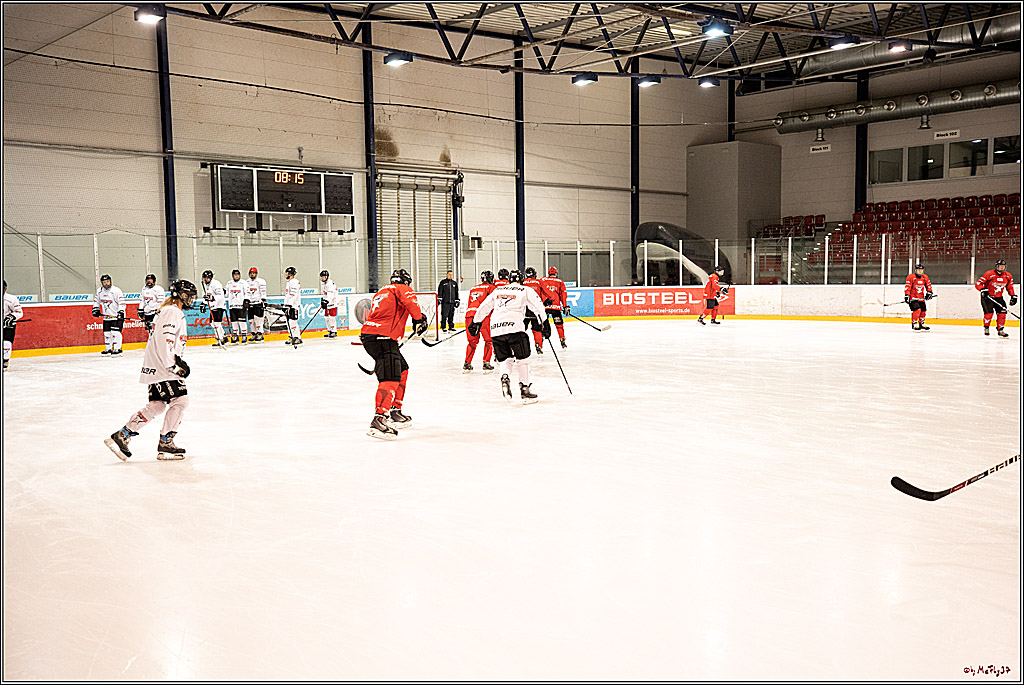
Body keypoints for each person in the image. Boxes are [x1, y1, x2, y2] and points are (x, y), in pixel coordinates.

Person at [104, 279, 198, 461]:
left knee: (158, 405)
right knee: (181, 400)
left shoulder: (169, 311)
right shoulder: (172, 312)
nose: (191, 300)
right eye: (190, 296)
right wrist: (173, 366)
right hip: (164, 367)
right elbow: (166, 342)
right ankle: (166, 442)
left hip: (157, 366)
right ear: (183, 295)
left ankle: (123, 435)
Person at [360, 268, 428, 440]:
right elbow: (412, 304)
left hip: (372, 336)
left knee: (402, 369)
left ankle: (395, 410)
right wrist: (419, 319)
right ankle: (379, 419)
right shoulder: (402, 288)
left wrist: (416, 319)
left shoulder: (383, 291)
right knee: (390, 378)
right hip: (383, 338)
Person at [471, 268, 550, 404]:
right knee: (523, 359)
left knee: (505, 359)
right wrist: (544, 322)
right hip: (515, 328)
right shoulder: (525, 290)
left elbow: (484, 306)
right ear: (521, 280)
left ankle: (505, 376)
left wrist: (475, 322)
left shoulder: (498, 290)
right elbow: (537, 306)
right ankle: (524, 390)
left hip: (496, 330)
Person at [463, 270, 496, 373]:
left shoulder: (473, 288)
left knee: (472, 342)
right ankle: (486, 363)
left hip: (469, 315)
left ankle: (467, 363)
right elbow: (493, 303)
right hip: (482, 315)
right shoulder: (491, 288)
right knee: (489, 340)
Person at [975, 259, 1016, 338]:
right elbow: (978, 283)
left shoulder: (1008, 276)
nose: (1001, 268)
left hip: (999, 298)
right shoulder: (989, 274)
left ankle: (1000, 330)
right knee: (989, 314)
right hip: (988, 298)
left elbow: (1010, 287)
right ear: (996, 266)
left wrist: (1013, 296)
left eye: (1003, 266)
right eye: (999, 266)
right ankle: (986, 327)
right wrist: (983, 289)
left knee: (1002, 313)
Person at [522, 267, 554, 354]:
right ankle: (538, 346)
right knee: (537, 330)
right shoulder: (539, 282)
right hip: (536, 311)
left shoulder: (522, 283)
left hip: (523, 311)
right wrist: (548, 301)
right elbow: (550, 294)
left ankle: (517, 348)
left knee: (520, 330)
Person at [92, 273, 126, 354]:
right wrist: (95, 309)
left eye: (107, 281)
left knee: (115, 332)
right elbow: (96, 301)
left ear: (110, 281)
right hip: (107, 316)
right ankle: (109, 348)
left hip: (116, 316)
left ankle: (118, 348)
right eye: (104, 282)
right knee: (107, 333)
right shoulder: (100, 291)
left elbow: (122, 303)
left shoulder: (116, 291)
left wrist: (121, 311)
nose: (106, 283)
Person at [540, 266, 569, 349]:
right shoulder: (560, 281)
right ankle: (562, 341)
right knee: (559, 325)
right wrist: (565, 306)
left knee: (543, 324)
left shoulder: (543, 280)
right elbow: (563, 295)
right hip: (556, 307)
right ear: (556, 273)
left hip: (545, 307)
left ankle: (540, 342)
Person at [904, 263, 934, 331]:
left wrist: (929, 292)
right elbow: (907, 287)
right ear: (915, 270)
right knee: (917, 310)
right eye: (918, 270)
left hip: (921, 298)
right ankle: (914, 323)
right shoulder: (911, 277)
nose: (920, 271)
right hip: (913, 298)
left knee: (923, 311)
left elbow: (928, 285)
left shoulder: (925, 277)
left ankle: (922, 323)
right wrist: (907, 295)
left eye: (921, 270)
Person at [201, 270, 228, 345]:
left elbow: (221, 295)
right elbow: (207, 296)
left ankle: (220, 339)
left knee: (216, 323)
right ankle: (224, 337)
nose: (205, 280)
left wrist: (212, 298)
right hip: (213, 306)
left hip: (219, 305)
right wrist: (203, 303)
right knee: (213, 323)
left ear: (210, 277)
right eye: (204, 278)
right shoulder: (207, 285)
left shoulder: (216, 284)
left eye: (207, 278)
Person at [3, 280, 24, 371]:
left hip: (9, 326)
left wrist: (11, 317)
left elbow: (19, 312)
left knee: (6, 343)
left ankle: (5, 361)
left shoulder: (12, 299)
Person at [244, 267, 268, 342]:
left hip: (258, 303)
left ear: (256, 274)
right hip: (250, 303)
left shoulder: (260, 281)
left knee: (258, 319)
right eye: (251, 273)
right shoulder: (246, 282)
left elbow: (263, 292)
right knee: (251, 320)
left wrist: (263, 300)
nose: (252, 274)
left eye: (253, 273)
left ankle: (260, 333)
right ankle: (254, 333)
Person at [225, 269, 248, 344]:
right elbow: (226, 294)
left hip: (241, 306)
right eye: (235, 275)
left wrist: (246, 301)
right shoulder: (229, 283)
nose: (236, 276)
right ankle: (236, 336)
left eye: (237, 275)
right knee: (234, 322)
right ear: (232, 276)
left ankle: (244, 335)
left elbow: (247, 293)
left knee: (242, 321)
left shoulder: (243, 283)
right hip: (232, 306)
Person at [139, 273, 165, 338]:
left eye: (150, 280)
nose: (149, 281)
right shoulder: (144, 289)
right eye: (147, 280)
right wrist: (140, 309)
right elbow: (142, 300)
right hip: (147, 313)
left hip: (155, 313)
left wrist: (158, 310)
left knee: (156, 329)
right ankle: (152, 343)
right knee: (150, 330)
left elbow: (161, 301)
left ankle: (158, 343)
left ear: (154, 280)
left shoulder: (158, 289)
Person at [283, 266, 302, 345]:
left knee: (292, 321)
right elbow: (288, 295)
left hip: (293, 305)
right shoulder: (289, 282)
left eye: (286, 273)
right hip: (289, 305)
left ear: (290, 274)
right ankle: (292, 336)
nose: (285, 274)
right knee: (288, 322)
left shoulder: (294, 282)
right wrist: (285, 304)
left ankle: (297, 337)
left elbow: (293, 295)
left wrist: (289, 304)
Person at [320, 269, 340, 338]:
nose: (322, 278)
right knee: (326, 317)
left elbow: (331, 294)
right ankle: (330, 330)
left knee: (332, 317)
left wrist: (327, 301)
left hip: (333, 303)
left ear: (327, 277)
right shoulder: (324, 284)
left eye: (323, 277)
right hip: (327, 303)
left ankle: (334, 331)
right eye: (321, 277)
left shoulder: (330, 283)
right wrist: (322, 300)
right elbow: (325, 293)